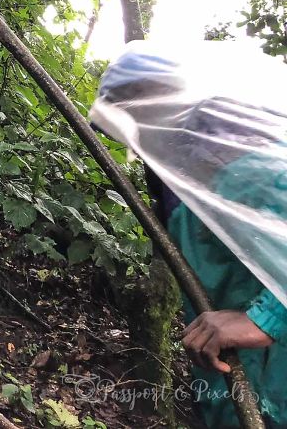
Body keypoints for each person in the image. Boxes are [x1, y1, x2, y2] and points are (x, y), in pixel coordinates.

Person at [90, 44, 287, 428]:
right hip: (236, 389)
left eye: (134, 110)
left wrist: (265, 320)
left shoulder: (240, 154)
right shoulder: (183, 176)